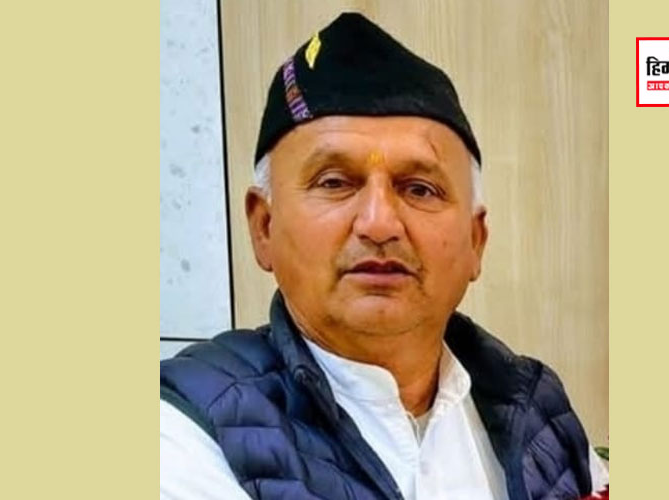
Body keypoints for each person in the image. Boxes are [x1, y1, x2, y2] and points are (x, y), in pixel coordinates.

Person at [161, 12, 608, 500]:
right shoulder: (185, 436)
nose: (379, 223)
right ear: (264, 227)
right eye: (335, 182)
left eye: (419, 188)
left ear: (476, 241)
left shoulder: (541, 415)